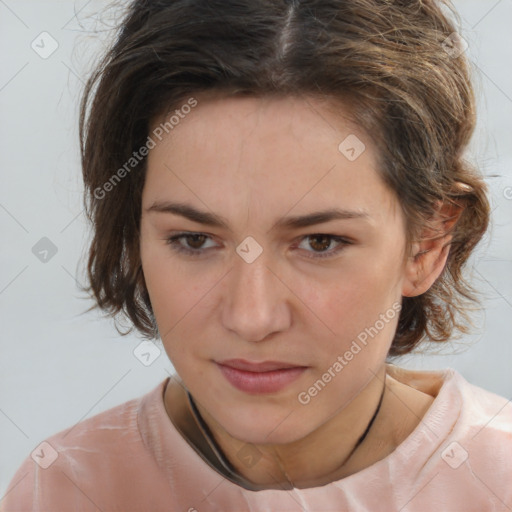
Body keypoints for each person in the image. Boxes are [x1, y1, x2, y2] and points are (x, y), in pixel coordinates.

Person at [2, 0, 511, 510]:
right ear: (133, 235)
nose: (252, 318)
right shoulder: (67, 490)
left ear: (426, 245)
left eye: (320, 243)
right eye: (194, 240)